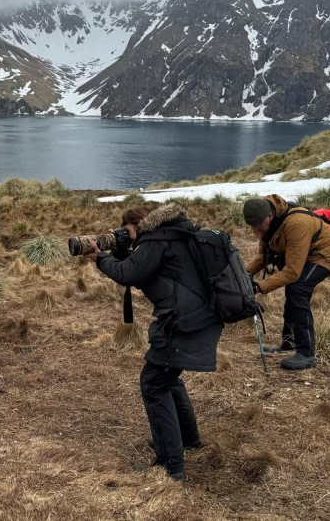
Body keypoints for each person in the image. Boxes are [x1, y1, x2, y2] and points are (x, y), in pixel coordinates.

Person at [86, 204, 220, 482]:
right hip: (202, 317)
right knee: (168, 376)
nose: (128, 237)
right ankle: (188, 440)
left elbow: (127, 274)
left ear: (140, 225)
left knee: (154, 382)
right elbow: (143, 269)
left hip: (183, 322)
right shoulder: (176, 233)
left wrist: (100, 258)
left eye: (128, 232)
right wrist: (123, 250)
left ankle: (170, 465)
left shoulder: (157, 239)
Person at [242, 195, 330, 370]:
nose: (257, 230)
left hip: (327, 254)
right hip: (305, 254)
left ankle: (306, 354)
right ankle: (289, 343)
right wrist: (243, 276)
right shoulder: (267, 225)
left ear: (269, 216)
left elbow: (292, 272)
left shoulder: (296, 224)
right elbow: (262, 257)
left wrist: (258, 287)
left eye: (259, 225)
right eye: (253, 227)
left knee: (297, 290)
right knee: (293, 290)